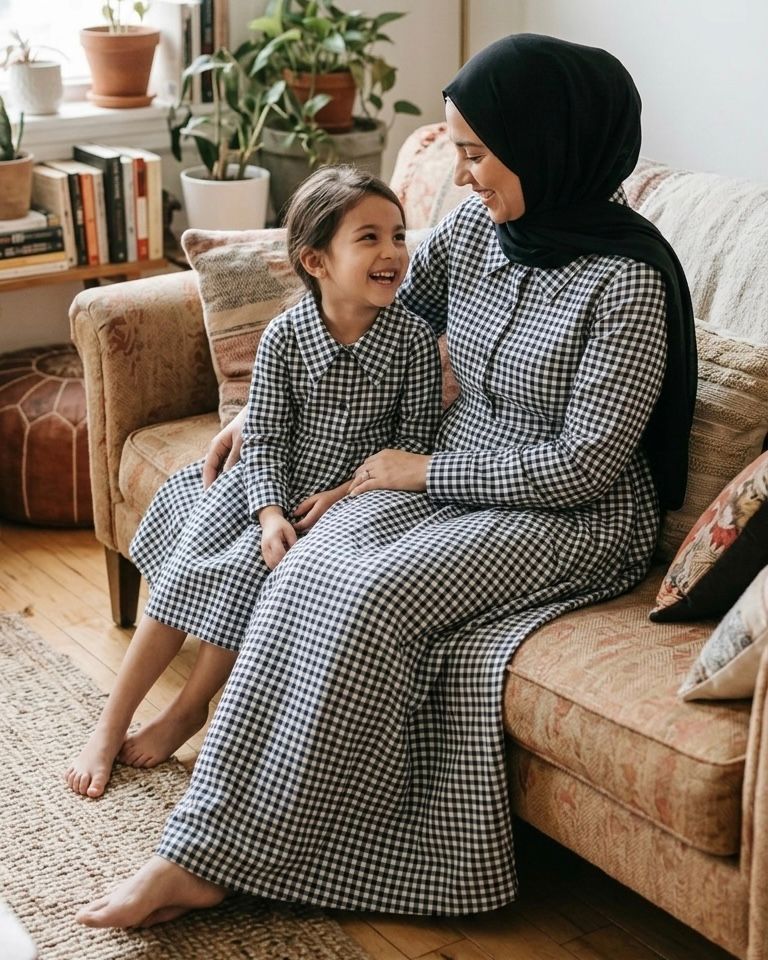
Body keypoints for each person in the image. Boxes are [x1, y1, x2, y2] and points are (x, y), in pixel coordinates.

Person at [75, 33, 696, 927]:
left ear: (551, 141)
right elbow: (375, 298)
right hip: (446, 475)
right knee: (307, 558)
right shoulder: (486, 230)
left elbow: (584, 465)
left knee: (367, 591)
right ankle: (212, 831)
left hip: (575, 513)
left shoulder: (625, 283)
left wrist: (422, 469)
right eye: (458, 149)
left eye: (479, 152)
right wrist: (265, 405)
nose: (466, 174)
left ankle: (209, 858)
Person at [65, 166, 443, 799]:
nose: (392, 252)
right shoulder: (286, 336)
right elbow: (261, 438)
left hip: (349, 499)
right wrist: (270, 514)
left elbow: (414, 446)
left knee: (252, 572)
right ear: (316, 261)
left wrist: (345, 495)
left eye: (399, 235)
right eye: (370, 238)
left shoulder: (410, 341)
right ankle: (112, 720)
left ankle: (188, 709)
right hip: (264, 486)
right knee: (192, 568)